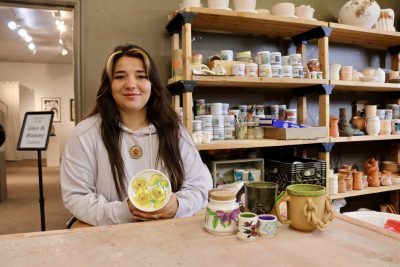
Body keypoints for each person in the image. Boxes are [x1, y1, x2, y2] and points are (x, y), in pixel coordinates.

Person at [60, 44, 213, 226]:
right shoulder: (85, 134)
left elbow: (200, 183)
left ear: (152, 84)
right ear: (109, 85)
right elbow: (76, 196)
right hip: (110, 237)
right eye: (120, 77)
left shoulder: (174, 130)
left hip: (166, 233)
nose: (131, 84)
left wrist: (178, 205)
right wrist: (123, 212)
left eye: (141, 76)